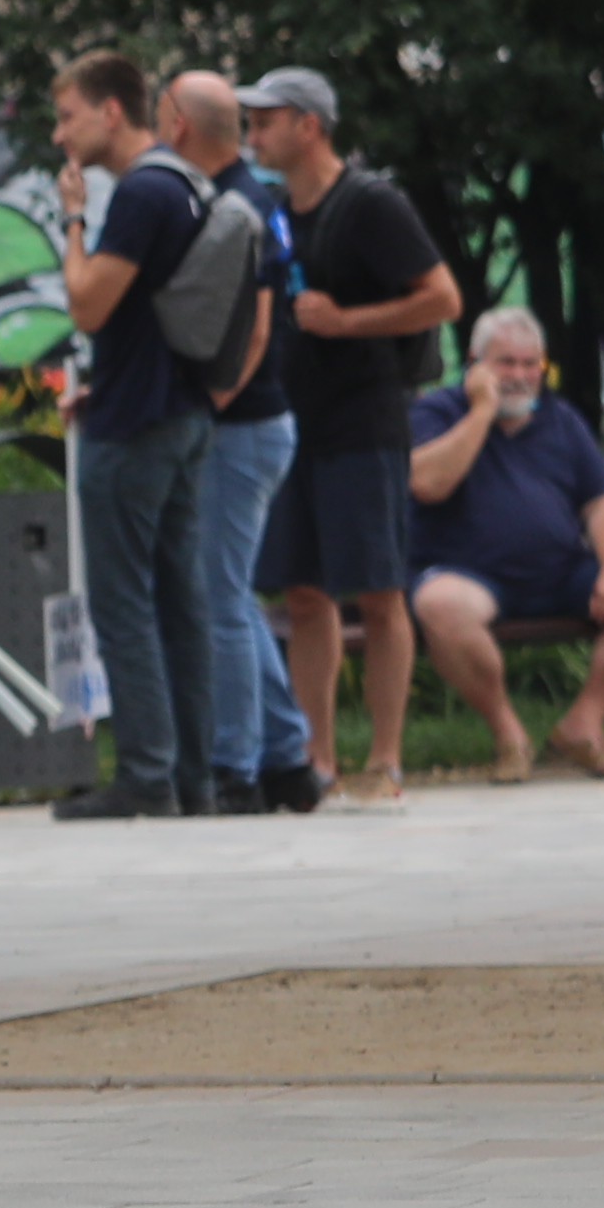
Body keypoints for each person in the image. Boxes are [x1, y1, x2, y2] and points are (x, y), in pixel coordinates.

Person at [242, 66, 456, 802]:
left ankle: (387, 758)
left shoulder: (370, 204)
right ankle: (318, 756)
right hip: (289, 421)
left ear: (309, 125)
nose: (254, 134)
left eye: (266, 120)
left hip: (362, 421)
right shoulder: (270, 209)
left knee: (380, 590)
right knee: (303, 593)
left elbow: (442, 298)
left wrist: (349, 322)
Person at [48, 45, 242, 821]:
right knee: (180, 601)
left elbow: (88, 304)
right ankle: (193, 777)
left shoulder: (141, 192)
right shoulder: (191, 185)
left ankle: (145, 776)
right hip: (184, 412)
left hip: (134, 426)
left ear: (110, 111)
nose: (61, 136)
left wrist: (71, 220)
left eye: (67, 117)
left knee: (124, 603)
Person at [407, 310, 604, 775]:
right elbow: (427, 483)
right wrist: (482, 412)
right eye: (505, 363)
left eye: (530, 364)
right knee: (442, 604)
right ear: (474, 362)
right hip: (467, 574)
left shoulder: (561, 418)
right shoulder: (436, 412)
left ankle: (582, 725)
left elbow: (600, 505)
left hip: (560, 571)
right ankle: (508, 735)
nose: (519, 376)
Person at [157, 67, 314, 806]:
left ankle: (237, 767)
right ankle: (286, 754)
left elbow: (252, 331)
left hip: (241, 424)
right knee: (232, 595)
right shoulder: (254, 200)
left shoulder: (235, 205)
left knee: (217, 595)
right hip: (258, 422)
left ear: (180, 126)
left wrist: (207, 405)